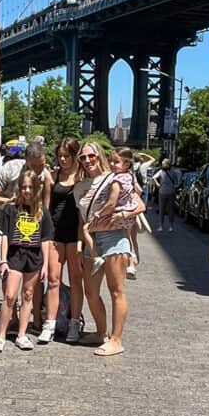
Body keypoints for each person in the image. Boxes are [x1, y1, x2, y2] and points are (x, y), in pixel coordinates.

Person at [73, 141, 145, 357]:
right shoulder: (79, 186)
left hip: (114, 236)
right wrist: (79, 247)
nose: (87, 161)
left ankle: (116, 339)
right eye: (83, 157)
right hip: (91, 239)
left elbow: (139, 204)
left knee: (116, 290)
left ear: (100, 156)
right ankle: (100, 332)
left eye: (91, 156)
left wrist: (123, 215)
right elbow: (81, 219)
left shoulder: (114, 177)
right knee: (91, 292)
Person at [0, 169, 53, 353]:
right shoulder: (11, 208)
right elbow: (4, 235)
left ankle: (22, 334)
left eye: (30, 187)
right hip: (15, 255)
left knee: (28, 295)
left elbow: (46, 240)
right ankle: (1, 335)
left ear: (36, 189)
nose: (27, 191)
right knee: (10, 295)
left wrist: (46, 265)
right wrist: (3, 260)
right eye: (24, 187)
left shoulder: (42, 212)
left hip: (34, 257)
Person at [40, 136, 83, 344]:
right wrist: (44, 235)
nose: (63, 160)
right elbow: (46, 207)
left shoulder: (83, 177)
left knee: (76, 280)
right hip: (56, 233)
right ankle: (50, 323)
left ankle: (74, 322)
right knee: (53, 279)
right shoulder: (53, 176)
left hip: (75, 234)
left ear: (75, 156)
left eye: (67, 156)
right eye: (60, 156)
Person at [0, 141, 52, 265]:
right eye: (34, 166)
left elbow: (46, 207)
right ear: (26, 160)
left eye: (41, 165)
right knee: (7, 268)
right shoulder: (11, 168)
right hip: (6, 225)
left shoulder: (45, 175)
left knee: (32, 271)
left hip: (31, 228)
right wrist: (12, 202)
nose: (38, 170)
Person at [84, 147, 140, 276]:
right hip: (128, 213)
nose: (112, 164)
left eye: (116, 162)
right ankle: (131, 263)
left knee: (86, 228)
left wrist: (99, 213)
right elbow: (139, 192)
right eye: (111, 161)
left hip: (115, 214)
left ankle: (96, 257)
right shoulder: (130, 176)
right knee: (128, 235)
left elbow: (111, 203)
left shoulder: (116, 180)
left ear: (126, 164)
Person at [152, 158, 181, 232]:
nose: (162, 165)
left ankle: (170, 226)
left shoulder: (173, 172)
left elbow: (177, 182)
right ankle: (161, 225)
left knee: (170, 210)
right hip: (163, 192)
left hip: (170, 192)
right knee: (162, 209)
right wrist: (158, 184)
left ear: (168, 164)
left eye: (163, 164)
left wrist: (175, 186)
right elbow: (154, 177)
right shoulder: (161, 171)